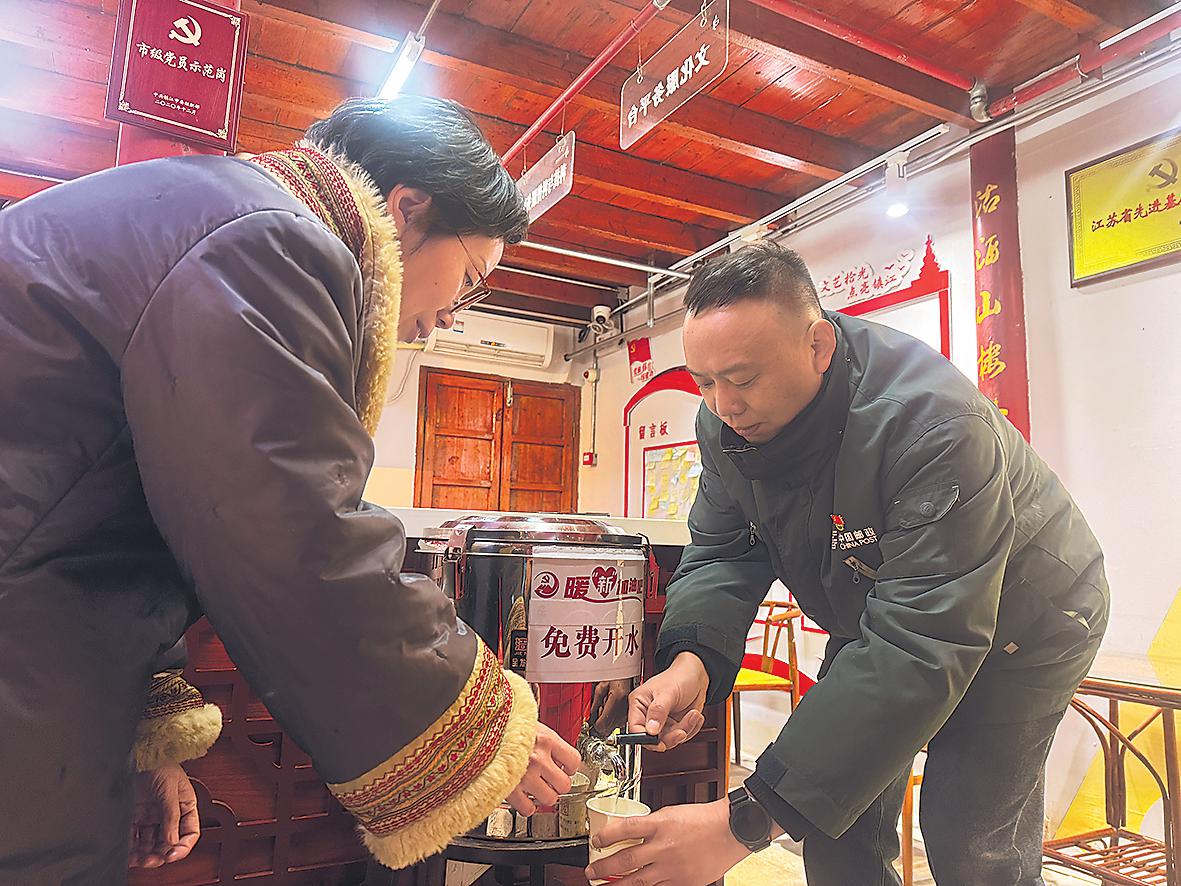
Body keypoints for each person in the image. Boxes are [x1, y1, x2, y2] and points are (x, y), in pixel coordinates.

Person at [0, 95, 580, 884]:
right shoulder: (269, 241)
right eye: (471, 280)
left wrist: (150, 736)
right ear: (407, 209)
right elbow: (287, 528)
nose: (452, 315)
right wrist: (479, 731)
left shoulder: (217, 213)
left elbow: (145, 504)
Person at [586, 243, 1108, 886]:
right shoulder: (726, 426)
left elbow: (924, 639)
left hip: (1028, 618)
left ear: (819, 346)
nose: (723, 405)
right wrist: (691, 662)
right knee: (837, 828)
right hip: (878, 612)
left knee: (969, 832)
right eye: (705, 382)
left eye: (743, 380)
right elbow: (724, 550)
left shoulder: (933, 424)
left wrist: (742, 824)